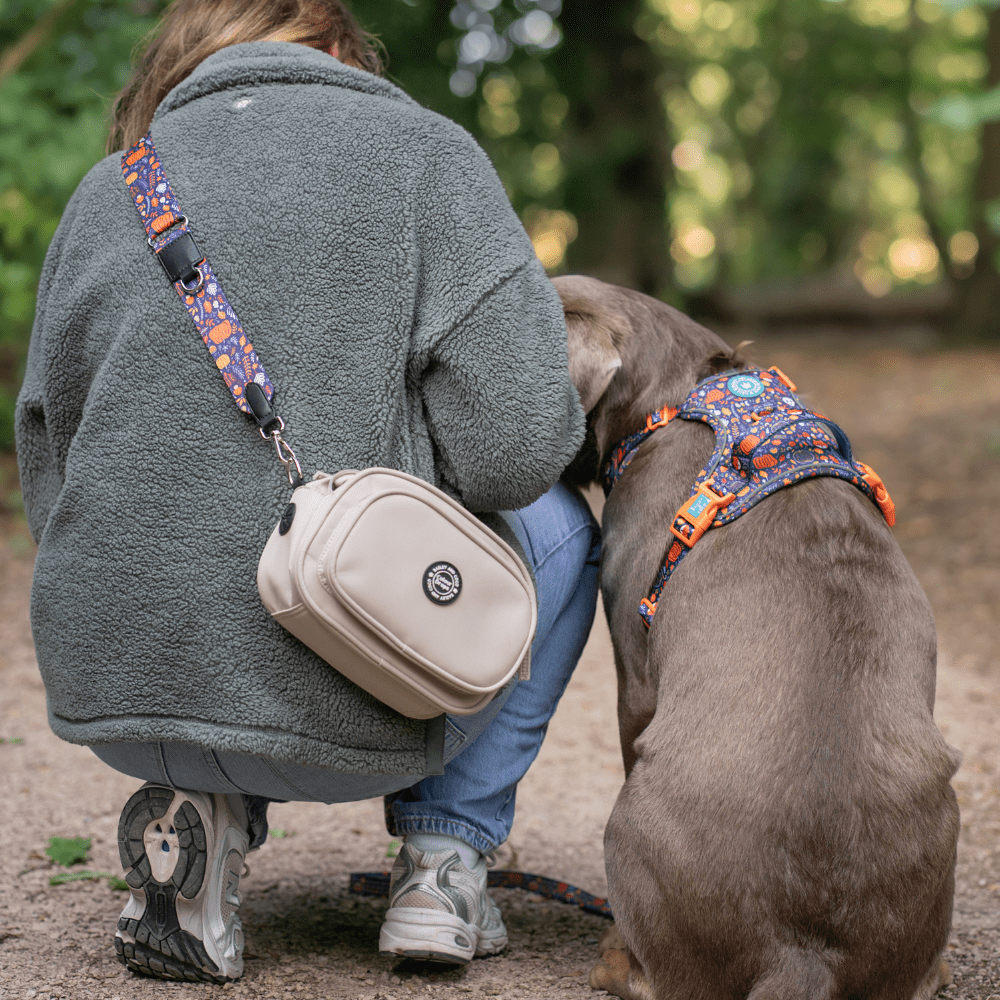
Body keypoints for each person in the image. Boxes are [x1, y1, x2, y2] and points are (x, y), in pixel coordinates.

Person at [14, 0, 600, 986]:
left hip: (125, 699)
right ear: (338, 49)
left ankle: (201, 809)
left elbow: (48, 452)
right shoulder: (427, 157)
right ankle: (441, 862)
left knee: (182, 519)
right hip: (353, 716)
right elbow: (516, 451)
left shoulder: (113, 186)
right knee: (558, 530)